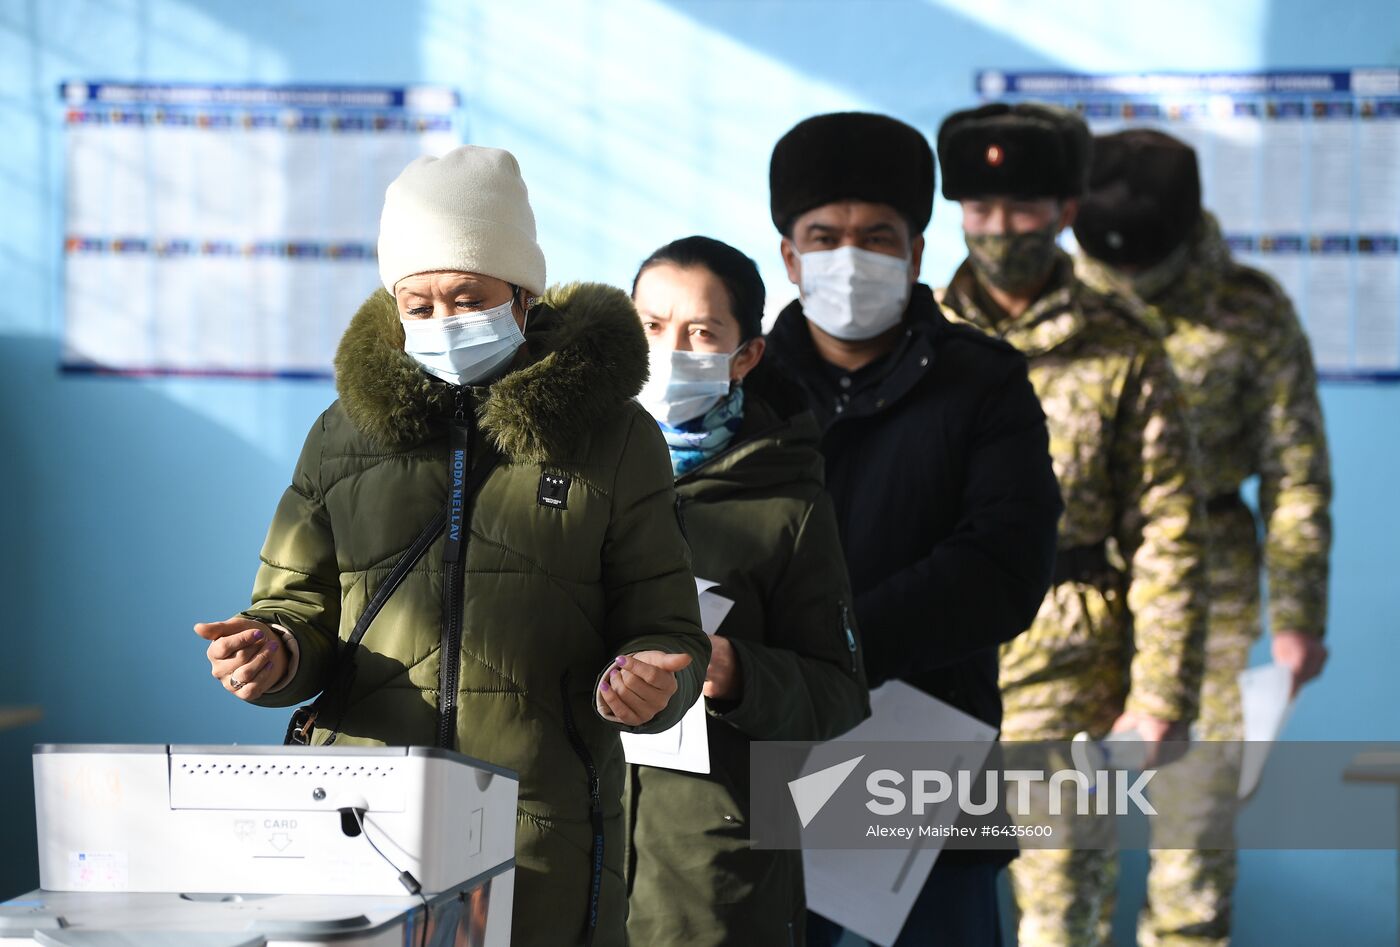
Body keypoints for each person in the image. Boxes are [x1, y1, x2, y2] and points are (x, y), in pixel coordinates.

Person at [192, 145, 711, 947]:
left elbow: (669, 628)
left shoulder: (613, 438)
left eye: (469, 297)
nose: (444, 322)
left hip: (541, 828)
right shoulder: (340, 436)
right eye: (420, 303)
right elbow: (296, 607)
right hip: (359, 818)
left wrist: (651, 686)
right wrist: (273, 650)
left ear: (524, 297)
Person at [761, 111, 1064, 947]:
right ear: (789, 256)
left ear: (917, 252)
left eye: (877, 236)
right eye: (823, 236)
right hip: (765, 761)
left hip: (929, 766)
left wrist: (840, 644)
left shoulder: (986, 385)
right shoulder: (737, 391)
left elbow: (1003, 564)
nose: (848, 257)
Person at [935, 103, 1210, 946]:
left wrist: (1163, 691)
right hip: (930, 653)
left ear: (1064, 212)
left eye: (1022, 209)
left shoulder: (1123, 346)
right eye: (980, 209)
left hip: (1072, 662)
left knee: (1062, 912)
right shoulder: (916, 335)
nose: (999, 229)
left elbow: (1169, 526)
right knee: (931, 904)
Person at [1073, 128, 1333, 947]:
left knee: (1194, 826)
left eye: (1143, 261)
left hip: (1212, 587)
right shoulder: (1053, 302)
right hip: (1076, 582)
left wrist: (1297, 615)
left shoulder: (1248, 309)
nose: (1126, 277)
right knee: (1064, 834)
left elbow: (1295, 471)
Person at [622, 235, 870, 947]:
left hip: (707, 871)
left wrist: (734, 672)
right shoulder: (568, 471)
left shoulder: (786, 501)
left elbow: (838, 692)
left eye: (701, 332)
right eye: (651, 325)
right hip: (573, 849)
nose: (670, 349)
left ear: (745, 355)